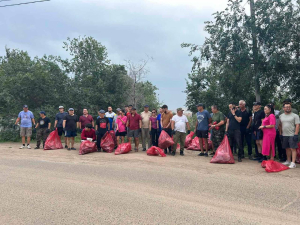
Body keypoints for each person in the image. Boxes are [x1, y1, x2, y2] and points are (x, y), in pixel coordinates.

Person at [279, 103, 300, 169]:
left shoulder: (295, 116)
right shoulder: (281, 116)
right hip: (284, 134)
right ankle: (288, 160)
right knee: (287, 148)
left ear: (291, 108)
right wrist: (280, 133)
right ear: (283, 108)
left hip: (292, 134)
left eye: (289, 107)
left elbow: (297, 125)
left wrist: (296, 134)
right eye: (286, 107)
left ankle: (293, 163)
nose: (288, 108)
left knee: (293, 148)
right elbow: (280, 125)